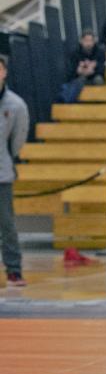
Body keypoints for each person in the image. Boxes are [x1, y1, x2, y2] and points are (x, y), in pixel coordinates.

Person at [0, 57, 29, 287]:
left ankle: (14, 269)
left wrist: (8, 157)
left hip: (2, 172)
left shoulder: (16, 104)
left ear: (5, 72)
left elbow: (18, 138)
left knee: (7, 223)